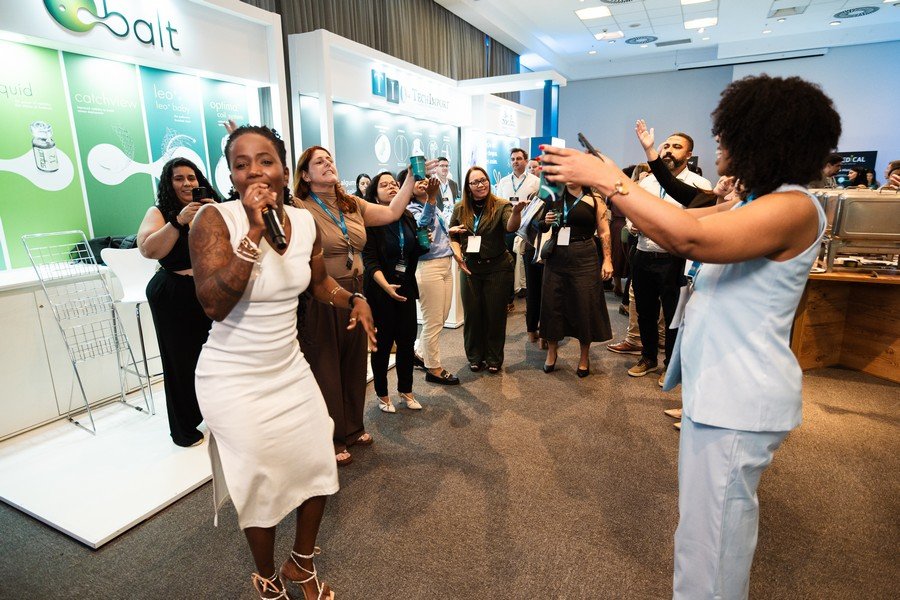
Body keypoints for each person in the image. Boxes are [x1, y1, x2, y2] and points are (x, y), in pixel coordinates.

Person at [540, 73, 841, 600]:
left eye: (727, 133)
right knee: (703, 535)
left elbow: (688, 236)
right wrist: (613, 177)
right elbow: (681, 214)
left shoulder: (793, 205)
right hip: (722, 391)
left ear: (762, 138)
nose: (718, 141)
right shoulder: (757, 200)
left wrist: (609, 180)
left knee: (712, 545)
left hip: (739, 396)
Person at [190, 125, 377, 600]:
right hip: (232, 376)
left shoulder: (304, 222)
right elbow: (214, 304)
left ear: (282, 168)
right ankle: (267, 576)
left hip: (288, 367)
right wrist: (254, 231)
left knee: (319, 462)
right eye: (241, 164)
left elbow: (319, 284)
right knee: (261, 479)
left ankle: (301, 563)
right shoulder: (214, 219)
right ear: (231, 175)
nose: (254, 171)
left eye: (265, 161)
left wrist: (353, 299)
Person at [293, 146, 428, 466]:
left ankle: (353, 428)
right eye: (319, 162)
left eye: (330, 159)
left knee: (354, 364)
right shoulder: (299, 207)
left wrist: (411, 177)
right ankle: (332, 437)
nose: (328, 164)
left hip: (357, 293)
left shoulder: (351, 204)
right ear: (305, 175)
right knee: (326, 367)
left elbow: (392, 212)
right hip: (322, 294)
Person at [137, 157, 219, 448]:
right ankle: (184, 429)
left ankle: (217, 414)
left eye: (191, 177)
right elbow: (148, 249)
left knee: (216, 357)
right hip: (173, 292)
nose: (187, 183)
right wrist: (178, 221)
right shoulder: (159, 212)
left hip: (208, 289)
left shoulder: (211, 207)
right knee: (180, 361)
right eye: (179, 178)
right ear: (168, 183)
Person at [626, 130, 711, 385]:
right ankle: (648, 357)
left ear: (689, 154)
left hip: (675, 259)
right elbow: (632, 211)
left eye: (677, 147)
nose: (669, 151)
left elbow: (699, 223)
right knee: (645, 311)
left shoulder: (699, 185)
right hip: (643, 253)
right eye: (667, 146)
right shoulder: (647, 182)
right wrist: (632, 225)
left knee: (674, 315)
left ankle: (670, 363)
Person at [362, 171, 430, 413]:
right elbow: (370, 261)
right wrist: (386, 287)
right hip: (380, 290)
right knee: (382, 345)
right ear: (374, 194)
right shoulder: (370, 220)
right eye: (384, 185)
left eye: (394, 184)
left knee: (406, 341)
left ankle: (406, 390)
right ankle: (382, 394)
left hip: (405, 287)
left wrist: (422, 244)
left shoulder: (407, 216)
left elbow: (411, 252)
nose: (391, 187)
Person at [448, 166, 521, 373]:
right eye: (475, 182)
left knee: (495, 315)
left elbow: (511, 227)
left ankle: (493, 358)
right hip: (470, 268)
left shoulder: (501, 205)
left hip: (497, 268)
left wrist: (516, 212)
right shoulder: (460, 208)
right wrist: (457, 255)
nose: (481, 185)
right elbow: (453, 235)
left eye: (484, 180)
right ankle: (475, 356)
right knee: (472, 315)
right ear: (468, 186)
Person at [538, 182, 613, 376]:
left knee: (584, 305)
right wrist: (546, 221)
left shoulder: (595, 199)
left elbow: (604, 231)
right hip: (556, 255)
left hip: (585, 255)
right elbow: (540, 225)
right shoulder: (553, 197)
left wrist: (607, 260)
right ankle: (552, 352)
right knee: (553, 304)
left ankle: (584, 356)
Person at [405, 169, 461, 386]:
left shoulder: (432, 204)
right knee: (434, 321)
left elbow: (436, 230)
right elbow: (421, 225)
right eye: (417, 180)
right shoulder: (410, 209)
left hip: (445, 264)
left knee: (442, 316)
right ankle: (434, 368)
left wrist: (450, 231)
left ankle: (420, 352)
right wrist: (430, 199)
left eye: (425, 179)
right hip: (428, 266)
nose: (423, 182)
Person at [495, 148, 541, 306]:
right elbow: (498, 206)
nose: (515, 161)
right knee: (507, 264)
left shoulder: (535, 182)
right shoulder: (503, 182)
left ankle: (529, 299)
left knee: (527, 264)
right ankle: (508, 300)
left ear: (526, 161)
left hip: (528, 229)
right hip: (508, 227)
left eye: (519, 158)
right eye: (513, 159)